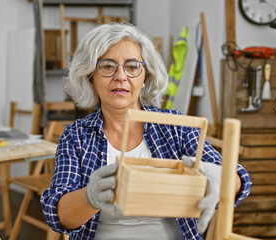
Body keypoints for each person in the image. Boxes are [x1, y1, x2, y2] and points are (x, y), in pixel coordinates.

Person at [41, 23, 251, 240]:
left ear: (146, 78)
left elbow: (237, 179)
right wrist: (90, 197)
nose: (121, 76)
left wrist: (223, 179)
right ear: (90, 76)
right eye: (107, 66)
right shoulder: (76, 136)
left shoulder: (175, 127)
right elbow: (57, 214)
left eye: (132, 67)